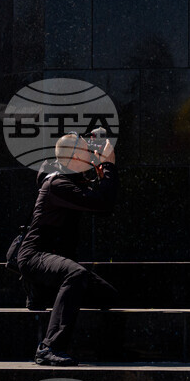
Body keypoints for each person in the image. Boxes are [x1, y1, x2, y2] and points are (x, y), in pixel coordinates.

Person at [17, 133, 119, 367]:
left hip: (56, 259)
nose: (92, 155)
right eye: (86, 151)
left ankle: (42, 291)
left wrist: (104, 174)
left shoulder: (72, 180)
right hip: (35, 256)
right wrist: (109, 166)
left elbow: (105, 206)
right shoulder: (57, 184)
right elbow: (101, 202)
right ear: (73, 157)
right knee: (76, 274)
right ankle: (49, 347)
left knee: (107, 295)